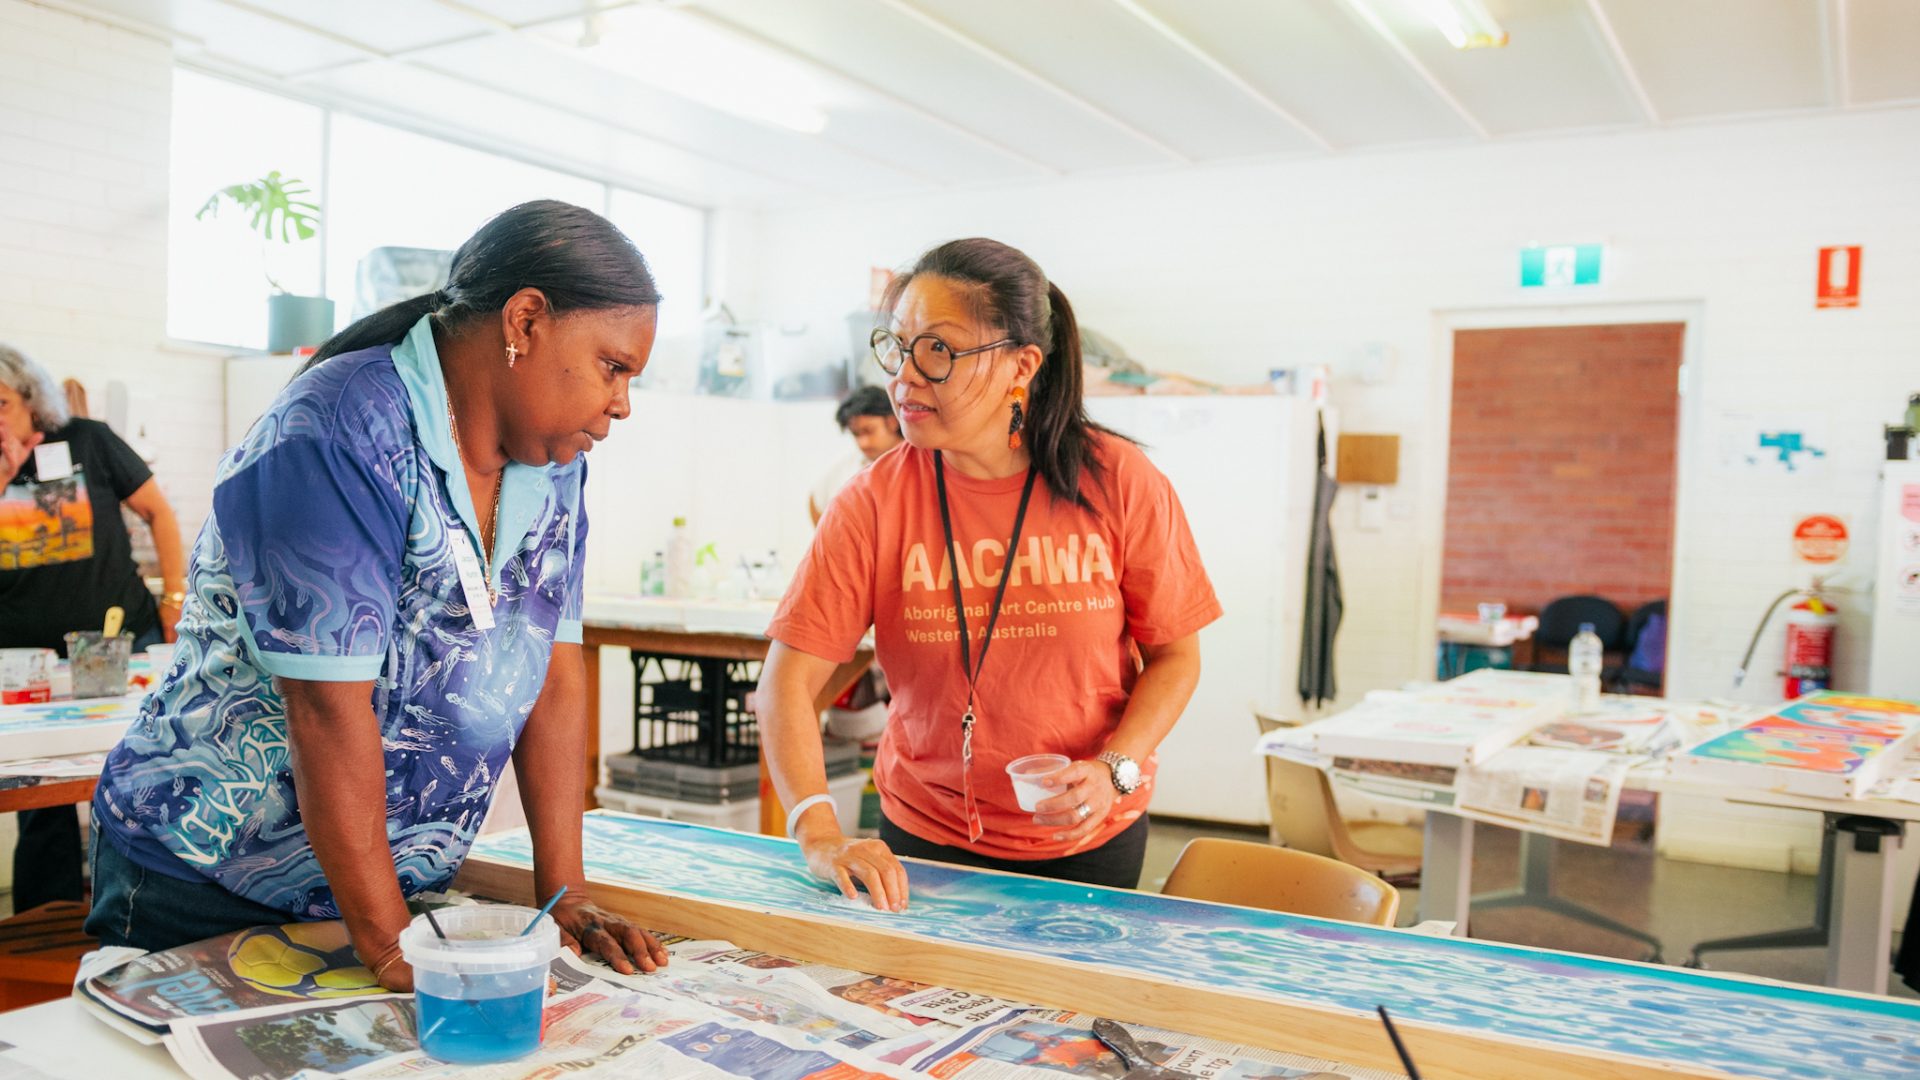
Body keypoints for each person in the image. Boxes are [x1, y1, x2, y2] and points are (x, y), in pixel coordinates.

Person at [90, 200, 669, 988]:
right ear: (526, 320)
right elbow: (328, 709)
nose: (623, 404)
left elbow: (553, 676)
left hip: (380, 889)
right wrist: (396, 949)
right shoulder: (336, 434)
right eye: (613, 367)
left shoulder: (556, 466)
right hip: (213, 881)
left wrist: (562, 896)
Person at [760, 238, 1220, 910]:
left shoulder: (1120, 481)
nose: (905, 378)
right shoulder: (873, 500)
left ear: (1021, 366)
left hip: (1088, 837)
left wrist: (1113, 771)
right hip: (923, 840)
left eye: (939, 351)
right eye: (898, 346)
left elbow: (1177, 658)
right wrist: (820, 832)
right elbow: (785, 686)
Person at [1, 344, 186, 912]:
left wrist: (175, 602)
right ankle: (41, 929)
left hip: (124, 641)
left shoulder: (89, 439)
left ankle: (149, 907)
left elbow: (159, 512)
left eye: (1, 403)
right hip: (27, 663)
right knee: (41, 808)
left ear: (30, 400)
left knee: (152, 780)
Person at [808, 385, 904, 525]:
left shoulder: (919, 460)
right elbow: (815, 500)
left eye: (869, 431)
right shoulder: (848, 463)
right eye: (856, 434)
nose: (863, 443)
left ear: (892, 422)